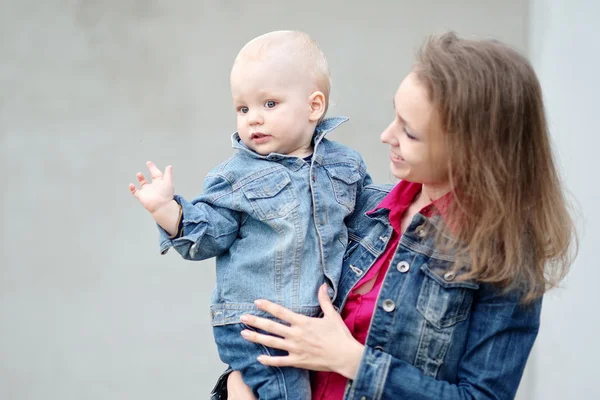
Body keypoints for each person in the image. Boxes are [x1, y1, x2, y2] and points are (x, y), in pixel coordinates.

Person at [216, 32, 577, 400]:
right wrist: (235, 382)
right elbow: (280, 315)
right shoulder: (362, 209)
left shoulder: (506, 259)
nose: (387, 136)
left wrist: (353, 361)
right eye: (395, 117)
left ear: (473, 150)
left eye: (410, 132)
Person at [129, 30, 371, 400]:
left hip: (317, 321)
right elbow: (209, 235)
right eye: (243, 109)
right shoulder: (236, 176)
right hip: (259, 323)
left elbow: (373, 218)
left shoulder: (345, 164)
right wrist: (167, 210)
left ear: (314, 106)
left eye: (269, 104)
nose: (253, 119)